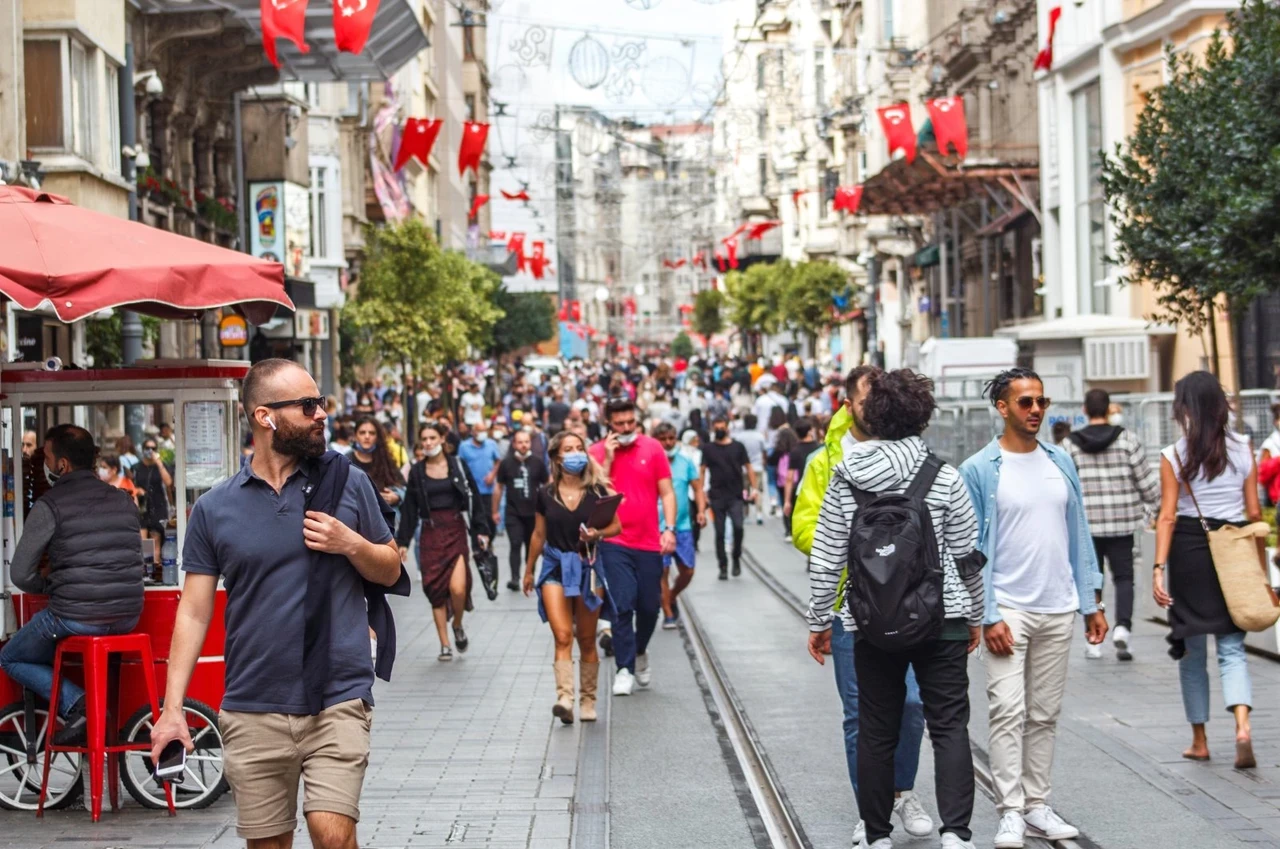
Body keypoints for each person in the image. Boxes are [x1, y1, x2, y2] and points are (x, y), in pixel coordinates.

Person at [149, 359, 403, 849]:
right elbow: (195, 611)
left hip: (337, 695)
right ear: (266, 417)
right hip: (252, 704)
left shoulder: (346, 483)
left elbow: (390, 568)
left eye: (321, 403)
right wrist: (172, 708)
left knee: (333, 835)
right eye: (308, 406)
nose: (321, 415)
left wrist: (351, 543)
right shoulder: (215, 508)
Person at [807, 369, 982, 849]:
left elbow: (826, 558)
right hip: (941, 618)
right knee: (949, 726)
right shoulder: (944, 475)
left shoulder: (845, 478)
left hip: (870, 621)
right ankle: (957, 834)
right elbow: (968, 553)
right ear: (922, 416)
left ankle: (878, 834)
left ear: (871, 414)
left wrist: (821, 621)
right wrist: (975, 614)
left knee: (875, 727)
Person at [959, 367, 1105, 848]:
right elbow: (968, 548)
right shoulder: (980, 469)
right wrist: (988, 613)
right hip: (1009, 609)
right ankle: (1011, 810)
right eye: (1025, 402)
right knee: (1007, 710)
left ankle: (1038, 804)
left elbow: (1078, 534)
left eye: (1041, 401)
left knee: (1044, 713)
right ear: (1002, 408)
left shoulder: (1061, 461)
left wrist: (1091, 600)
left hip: (1058, 605)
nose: (1036, 410)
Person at [792, 366, 934, 846]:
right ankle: (868, 811)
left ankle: (900, 790)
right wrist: (865, 549)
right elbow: (804, 528)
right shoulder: (824, 462)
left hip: (912, 600)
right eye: (869, 400)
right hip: (852, 604)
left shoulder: (915, 458)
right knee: (860, 712)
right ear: (848, 404)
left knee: (913, 704)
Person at [0, 424, 144, 745]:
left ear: (62, 465)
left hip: (74, 616)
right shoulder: (123, 499)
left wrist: (49, 585)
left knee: (11, 657)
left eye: (47, 458)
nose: (45, 466)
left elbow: (20, 575)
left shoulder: (49, 505)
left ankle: (77, 703)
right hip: (128, 616)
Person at [1153, 370, 1260, 769]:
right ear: (1220, 404)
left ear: (1184, 407)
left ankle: (1199, 740)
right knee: (1232, 647)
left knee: (1192, 650)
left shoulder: (1173, 454)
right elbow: (1252, 512)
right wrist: (1260, 569)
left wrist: (1158, 568)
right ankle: (1243, 727)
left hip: (1188, 551)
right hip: (1234, 548)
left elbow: (1166, 517)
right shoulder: (1244, 447)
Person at [523, 431, 620, 724]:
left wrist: (597, 534)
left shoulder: (598, 492)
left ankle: (588, 700)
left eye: (580, 448)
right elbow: (539, 534)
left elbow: (616, 526)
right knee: (563, 635)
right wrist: (529, 570)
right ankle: (565, 697)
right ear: (556, 457)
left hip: (588, 568)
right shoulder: (545, 494)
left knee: (587, 639)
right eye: (569, 449)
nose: (576, 453)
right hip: (554, 567)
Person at [588, 397, 677, 696]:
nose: (626, 428)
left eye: (630, 423)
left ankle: (639, 651)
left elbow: (666, 492)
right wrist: (609, 460)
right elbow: (595, 495)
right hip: (614, 540)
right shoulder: (596, 453)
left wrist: (670, 529)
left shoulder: (652, 448)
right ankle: (624, 668)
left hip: (649, 541)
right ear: (608, 425)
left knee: (649, 607)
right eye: (619, 424)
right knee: (623, 605)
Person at [1065, 388, 1160, 661]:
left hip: (1086, 525)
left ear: (1084, 410)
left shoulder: (1070, 445)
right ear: (1109, 410)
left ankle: (1093, 639)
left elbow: (1064, 484)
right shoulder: (1128, 441)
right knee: (1124, 578)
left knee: (1092, 580)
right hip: (1121, 522)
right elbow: (1147, 484)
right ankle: (1122, 629)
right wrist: (1152, 509)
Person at [398, 422, 491, 661]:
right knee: (435, 589)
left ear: (442, 439)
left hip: (455, 530)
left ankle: (457, 623)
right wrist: (403, 542)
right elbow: (409, 507)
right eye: (424, 439)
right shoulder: (417, 471)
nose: (428, 443)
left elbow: (475, 499)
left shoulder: (458, 466)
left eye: (432, 438)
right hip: (429, 533)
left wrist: (482, 531)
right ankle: (445, 644)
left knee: (459, 588)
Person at [653, 422, 706, 628]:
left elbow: (698, 488)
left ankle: (671, 596)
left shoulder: (685, 462)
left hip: (683, 525)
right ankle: (667, 613)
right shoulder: (651, 462)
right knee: (662, 572)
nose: (667, 443)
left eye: (671, 438)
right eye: (663, 439)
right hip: (656, 526)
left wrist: (701, 511)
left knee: (688, 570)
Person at [701, 415, 756, 579]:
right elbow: (702, 470)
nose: (719, 430)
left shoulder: (738, 447)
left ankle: (736, 556)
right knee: (720, 532)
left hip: (736, 495)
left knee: (739, 527)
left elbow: (749, 467)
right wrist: (702, 493)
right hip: (716, 496)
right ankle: (723, 566)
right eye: (716, 427)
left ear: (727, 427)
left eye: (722, 427)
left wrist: (754, 489)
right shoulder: (708, 449)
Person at [495, 429, 549, 591]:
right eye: (520, 442)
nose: (523, 445)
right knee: (515, 543)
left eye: (526, 442)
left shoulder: (537, 462)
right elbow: (499, 487)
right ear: (514, 444)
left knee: (531, 545)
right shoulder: (506, 463)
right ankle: (514, 578)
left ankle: (529, 574)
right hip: (513, 512)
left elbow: (547, 484)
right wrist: (494, 510)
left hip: (533, 513)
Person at [349, 417, 405, 515]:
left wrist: (396, 496)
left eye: (372, 433)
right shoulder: (345, 460)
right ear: (355, 436)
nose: (367, 437)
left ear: (377, 436)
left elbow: (403, 486)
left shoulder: (385, 459)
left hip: (383, 518)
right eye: (362, 432)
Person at [133, 436, 173, 563]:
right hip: (142, 506)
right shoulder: (136, 467)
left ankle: (156, 567)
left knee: (156, 538)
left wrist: (159, 462)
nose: (150, 450)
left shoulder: (161, 465)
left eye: (153, 448)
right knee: (144, 540)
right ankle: (146, 569)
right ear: (143, 449)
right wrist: (137, 491)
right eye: (147, 448)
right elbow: (130, 486)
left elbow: (168, 482)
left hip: (158, 504)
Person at [781, 417, 820, 535]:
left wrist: (787, 501)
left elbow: (789, 478)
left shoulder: (795, 451)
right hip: (818, 487)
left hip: (802, 489)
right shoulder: (819, 448)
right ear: (810, 431)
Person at [458, 421, 503, 508]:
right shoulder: (464, 446)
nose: (483, 434)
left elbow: (498, 461)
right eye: (480, 431)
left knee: (490, 517)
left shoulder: (491, 444)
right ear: (473, 432)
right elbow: (460, 465)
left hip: (489, 489)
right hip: (472, 490)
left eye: (484, 431)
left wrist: (492, 475)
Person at [736, 414, 769, 525]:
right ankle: (759, 514)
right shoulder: (759, 436)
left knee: (744, 491)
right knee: (757, 490)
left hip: (743, 468)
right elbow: (764, 451)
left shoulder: (740, 437)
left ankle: (746, 514)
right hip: (757, 466)